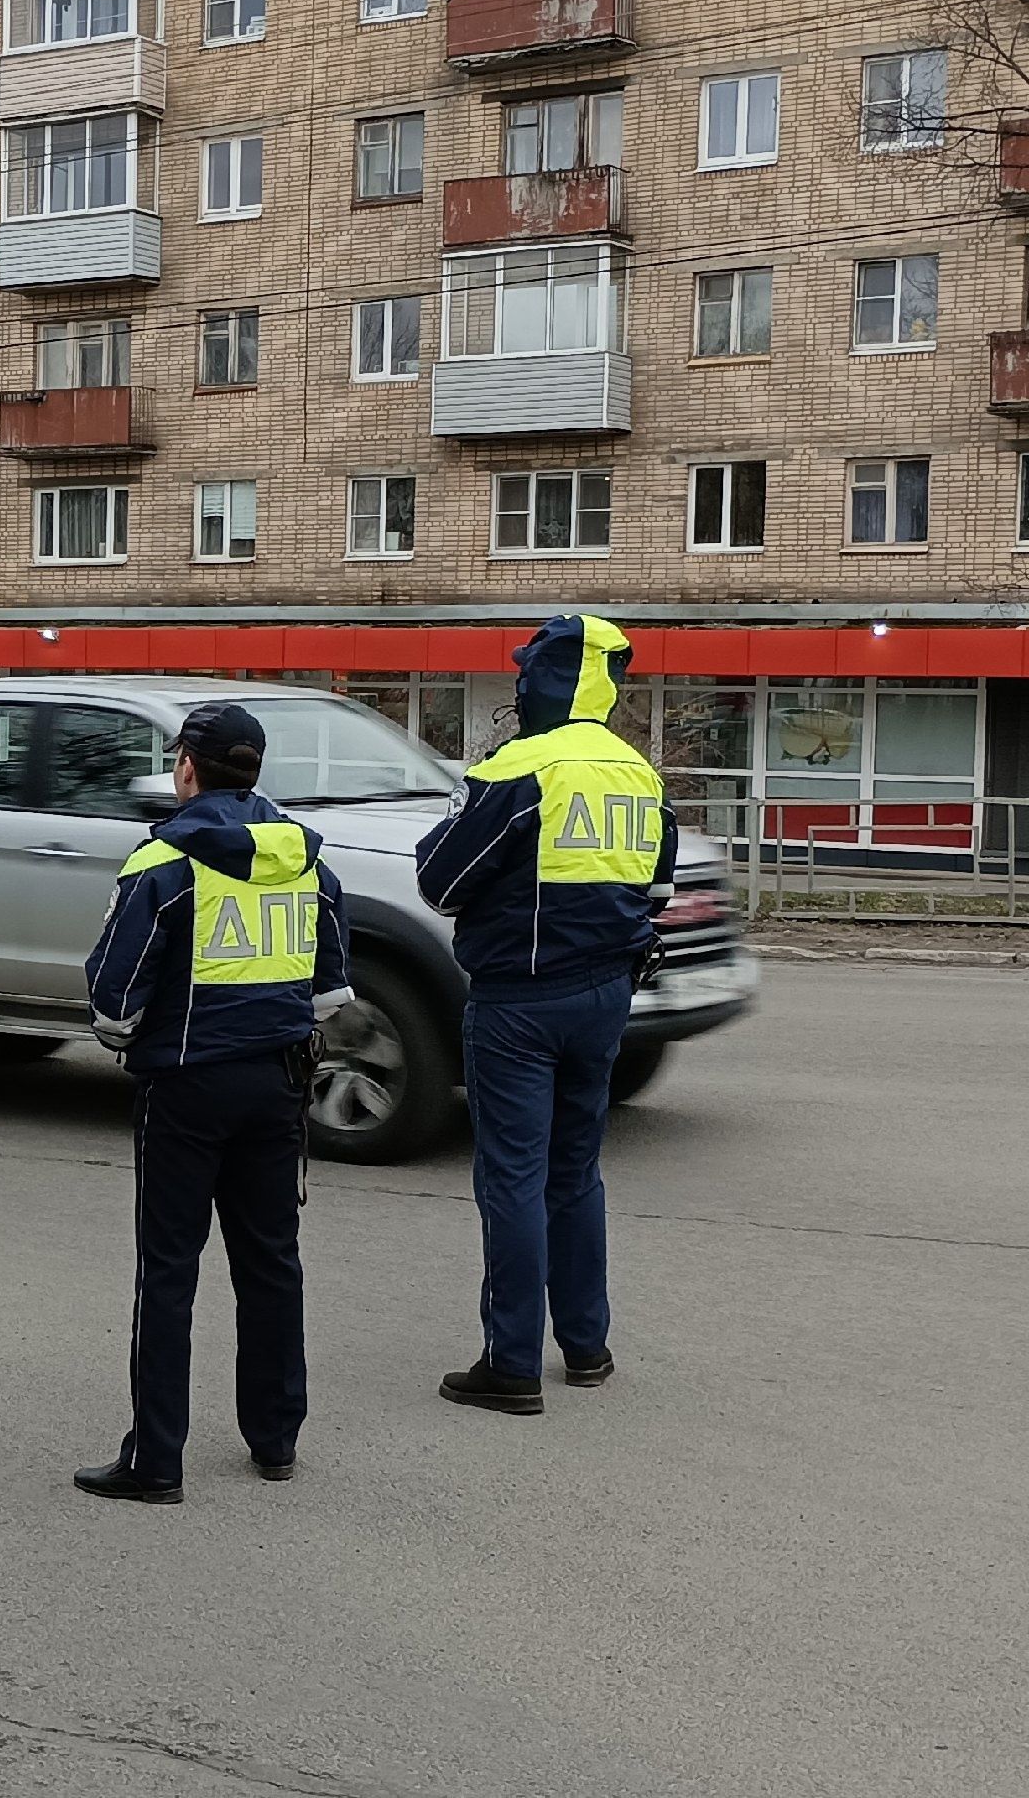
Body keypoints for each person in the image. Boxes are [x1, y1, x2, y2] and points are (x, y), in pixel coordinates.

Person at [75, 702, 352, 1504]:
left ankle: (156, 1460)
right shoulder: (307, 860)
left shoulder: (161, 861)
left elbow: (112, 1000)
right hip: (278, 1084)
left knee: (168, 1271)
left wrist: (133, 1036)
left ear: (188, 767)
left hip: (186, 1087)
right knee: (271, 1263)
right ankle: (275, 1440)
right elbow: (331, 990)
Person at [415, 615, 677, 1416]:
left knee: (513, 1178)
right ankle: (588, 1346)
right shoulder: (640, 773)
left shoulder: (523, 766)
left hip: (520, 1002)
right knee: (575, 1173)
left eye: (524, 673)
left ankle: (513, 1362)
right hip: (606, 996)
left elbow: (438, 878)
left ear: (543, 680)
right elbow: (656, 892)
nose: (515, 685)